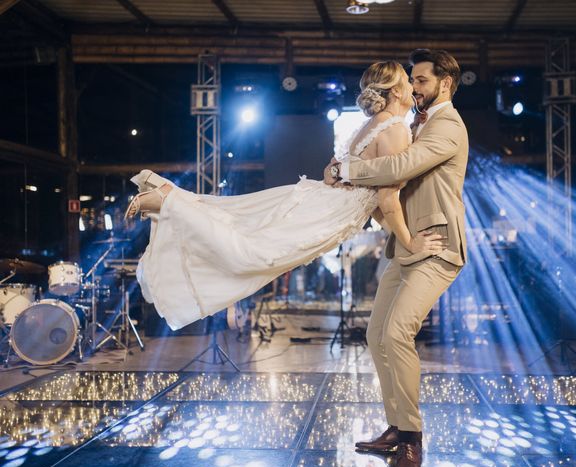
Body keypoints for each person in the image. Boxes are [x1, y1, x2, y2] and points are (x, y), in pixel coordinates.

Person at [124, 60, 447, 332]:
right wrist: (410, 242)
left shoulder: (373, 126)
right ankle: (169, 200)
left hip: (323, 202)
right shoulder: (394, 129)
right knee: (251, 254)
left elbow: (352, 183)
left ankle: (169, 199)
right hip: (325, 213)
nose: (414, 87)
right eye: (409, 80)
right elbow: (387, 197)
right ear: (396, 91)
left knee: (243, 234)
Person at [324, 49, 468, 467]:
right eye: (412, 81)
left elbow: (402, 166)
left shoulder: (450, 126)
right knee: (375, 335)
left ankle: (412, 441)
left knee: (396, 332)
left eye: (421, 80)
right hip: (406, 247)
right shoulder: (413, 123)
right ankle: (396, 426)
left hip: (435, 246)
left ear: (444, 83)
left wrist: (347, 168)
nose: (415, 87)